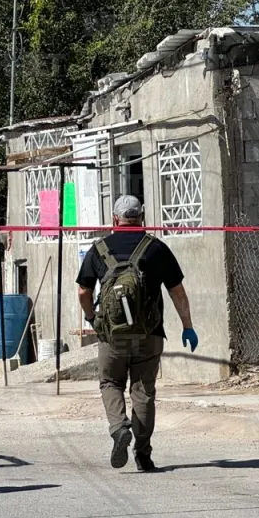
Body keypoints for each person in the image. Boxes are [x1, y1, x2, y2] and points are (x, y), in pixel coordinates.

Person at [75, 195, 197, 472]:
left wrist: (92, 319)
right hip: (149, 334)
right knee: (143, 392)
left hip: (112, 336)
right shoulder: (156, 248)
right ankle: (143, 454)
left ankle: (119, 427)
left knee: (110, 383)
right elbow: (177, 292)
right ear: (141, 217)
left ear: (115, 219)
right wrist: (188, 326)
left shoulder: (99, 249)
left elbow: (83, 292)